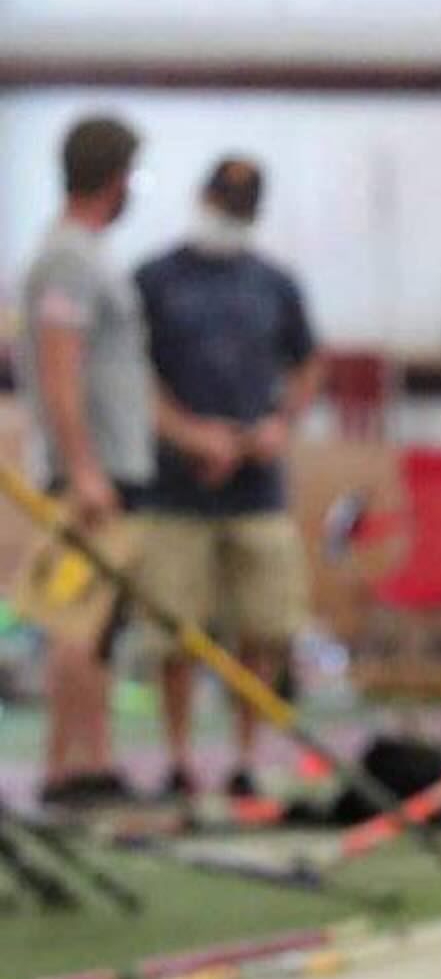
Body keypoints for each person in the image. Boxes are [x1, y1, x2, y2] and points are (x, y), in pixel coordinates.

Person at [135, 157, 322, 797]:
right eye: (224, 203)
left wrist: (278, 424)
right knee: (175, 632)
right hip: (174, 489)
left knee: (263, 628)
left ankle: (246, 757)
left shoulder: (274, 283)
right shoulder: (155, 280)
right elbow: (134, 374)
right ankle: (179, 757)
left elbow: (306, 364)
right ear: (201, 196)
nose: (229, 216)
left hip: (256, 487)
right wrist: (189, 434)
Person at [17, 114, 151, 807]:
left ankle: (89, 761)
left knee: (99, 626)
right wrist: (85, 469)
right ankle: (72, 771)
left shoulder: (89, 253)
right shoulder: (69, 258)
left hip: (110, 466)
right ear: (114, 177)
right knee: (78, 619)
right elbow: (59, 372)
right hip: (86, 474)